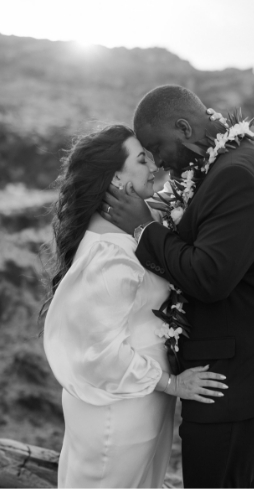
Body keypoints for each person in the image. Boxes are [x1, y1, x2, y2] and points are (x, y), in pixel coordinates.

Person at [102, 86, 254, 488]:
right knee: (243, 478)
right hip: (251, 362)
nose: (158, 161)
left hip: (242, 375)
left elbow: (209, 277)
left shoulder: (236, 174)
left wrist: (143, 228)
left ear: (183, 127)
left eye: (156, 147)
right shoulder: (227, 164)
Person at [42, 124, 228, 488]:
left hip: (135, 404)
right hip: (118, 415)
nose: (154, 166)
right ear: (115, 176)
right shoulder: (111, 256)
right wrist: (172, 383)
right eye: (142, 159)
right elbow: (99, 353)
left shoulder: (122, 233)